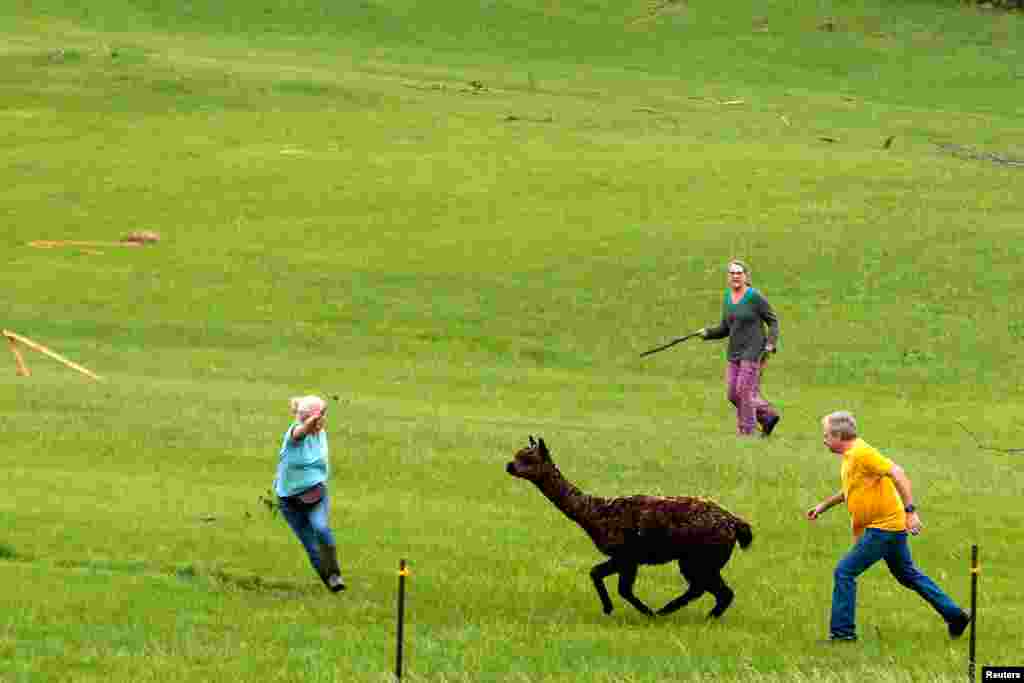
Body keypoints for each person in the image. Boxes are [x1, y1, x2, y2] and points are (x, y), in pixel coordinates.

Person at [806, 411, 971, 642]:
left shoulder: (862, 453)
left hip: (883, 527)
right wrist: (824, 505)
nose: (823, 440)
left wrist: (911, 512)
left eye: (826, 435)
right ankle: (956, 616)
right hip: (889, 526)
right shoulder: (851, 457)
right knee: (908, 575)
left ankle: (842, 634)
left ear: (839, 435)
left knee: (844, 571)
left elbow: (898, 473)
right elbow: (852, 489)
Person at [696, 259, 781, 437]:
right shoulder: (727, 298)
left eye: (739, 273)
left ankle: (746, 431)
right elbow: (725, 328)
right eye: (732, 273)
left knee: (744, 391)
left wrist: (771, 343)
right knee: (733, 394)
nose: (735, 276)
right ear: (728, 277)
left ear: (745, 276)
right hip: (734, 351)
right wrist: (708, 333)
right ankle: (768, 415)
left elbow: (773, 321)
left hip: (753, 350)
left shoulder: (754, 297)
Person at [274, 395, 345, 592]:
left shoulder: (320, 432)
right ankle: (330, 583)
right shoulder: (294, 435)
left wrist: (318, 415)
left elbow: (319, 414)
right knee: (311, 546)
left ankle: (334, 574)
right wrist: (310, 421)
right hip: (289, 502)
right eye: (317, 419)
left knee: (321, 528)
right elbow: (301, 431)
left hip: (315, 494)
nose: (321, 422)